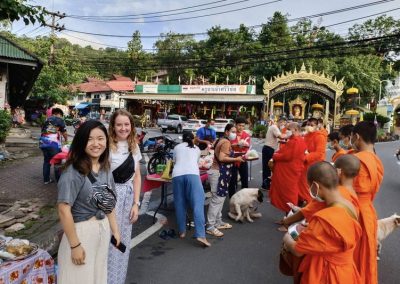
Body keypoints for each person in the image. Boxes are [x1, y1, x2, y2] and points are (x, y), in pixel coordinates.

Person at [57, 120, 120, 284]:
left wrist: (115, 230)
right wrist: (75, 246)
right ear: (81, 141)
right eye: (90, 139)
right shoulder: (73, 172)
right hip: (81, 234)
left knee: (98, 278)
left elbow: (108, 204)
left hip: (102, 231)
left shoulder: (105, 168)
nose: (96, 144)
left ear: (106, 141)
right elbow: (64, 210)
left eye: (100, 138)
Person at [283, 161, 362, 284]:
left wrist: (287, 238)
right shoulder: (349, 203)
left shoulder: (325, 220)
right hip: (347, 271)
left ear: (315, 186)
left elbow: (298, 250)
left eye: (310, 187)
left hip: (328, 274)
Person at [107, 109, 142, 284]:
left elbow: (137, 177)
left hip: (128, 200)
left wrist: (136, 203)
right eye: (119, 124)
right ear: (113, 127)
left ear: (131, 126)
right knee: (108, 242)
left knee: (122, 243)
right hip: (109, 200)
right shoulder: (106, 146)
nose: (123, 128)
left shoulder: (134, 146)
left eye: (126, 124)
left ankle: (117, 280)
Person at [351, 121, 384, 284]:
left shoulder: (355, 161)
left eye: (351, 137)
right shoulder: (376, 160)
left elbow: (346, 191)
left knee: (352, 255)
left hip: (353, 213)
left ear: (357, 137)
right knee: (366, 254)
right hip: (368, 212)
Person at [172, 132, 210, 247]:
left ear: (182, 139)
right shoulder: (197, 149)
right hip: (192, 175)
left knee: (179, 203)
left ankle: (182, 231)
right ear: (193, 139)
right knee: (198, 203)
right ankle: (201, 235)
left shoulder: (176, 147)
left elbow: (175, 161)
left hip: (177, 175)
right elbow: (195, 162)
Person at [206, 124, 244, 237]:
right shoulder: (226, 142)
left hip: (219, 173)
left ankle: (218, 221)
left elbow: (223, 150)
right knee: (217, 200)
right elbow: (222, 158)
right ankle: (210, 226)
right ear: (226, 132)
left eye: (235, 131)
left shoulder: (221, 140)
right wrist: (236, 159)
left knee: (221, 198)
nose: (234, 133)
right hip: (218, 173)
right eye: (232, 131)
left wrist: (236, 146)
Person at [269, 122, 307, 213]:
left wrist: (274, 155)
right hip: (289, 170)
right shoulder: (295, 140)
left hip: (289, 172)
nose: (287, 131)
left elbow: (287, 156)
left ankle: (289, 221)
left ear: (296, 130)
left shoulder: (296, 141)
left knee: (289, 194)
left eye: (289, 129)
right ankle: (287, 218)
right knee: (286, 193)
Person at [298, 118, 327, 204]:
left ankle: (309, 204)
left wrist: (306, 157)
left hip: (313, 166)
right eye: (308, 124)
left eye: (312, 125)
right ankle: (301, 201)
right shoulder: (306, 136)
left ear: (317, 126)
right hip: (304, 164)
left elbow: (319, 153)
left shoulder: (320, 137)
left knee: (308, 187)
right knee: (301, 185)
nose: (309, 127)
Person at [39, 108, 68, 184]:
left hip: (43, 143)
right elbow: (64, 132)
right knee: (57, 162)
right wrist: (66, 140)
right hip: (52, 144)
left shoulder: (47, 120)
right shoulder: (59, 120)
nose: (61, 117)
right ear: (59, 114)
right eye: (61, 115)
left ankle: (46, 180)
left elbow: (43, 130)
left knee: (46, 162)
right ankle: (59, 182)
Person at [260, 118, 286, 190]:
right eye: (283, 123)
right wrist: (290, 135)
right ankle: (266, 185)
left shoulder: (274, 127)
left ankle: (266, 184)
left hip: (268, 148)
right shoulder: (274, 127)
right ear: (279, 122)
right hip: (269, 149)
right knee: (268, 167)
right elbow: (280, 137)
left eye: (284, 124)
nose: (283, 125)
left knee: (267, 167)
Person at [228, 116, 251, 198]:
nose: (241, 127)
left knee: (245, 181)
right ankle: (232, 199)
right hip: (232, 159)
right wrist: (237, 145)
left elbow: (247, 147)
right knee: (232, 181)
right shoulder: (231, 134)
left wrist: (245, 149)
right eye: (239, 125)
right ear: (235, 125)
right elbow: (228, 146)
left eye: (243, 126)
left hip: (243, 159)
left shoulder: (246, 135)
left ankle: (245, 200)